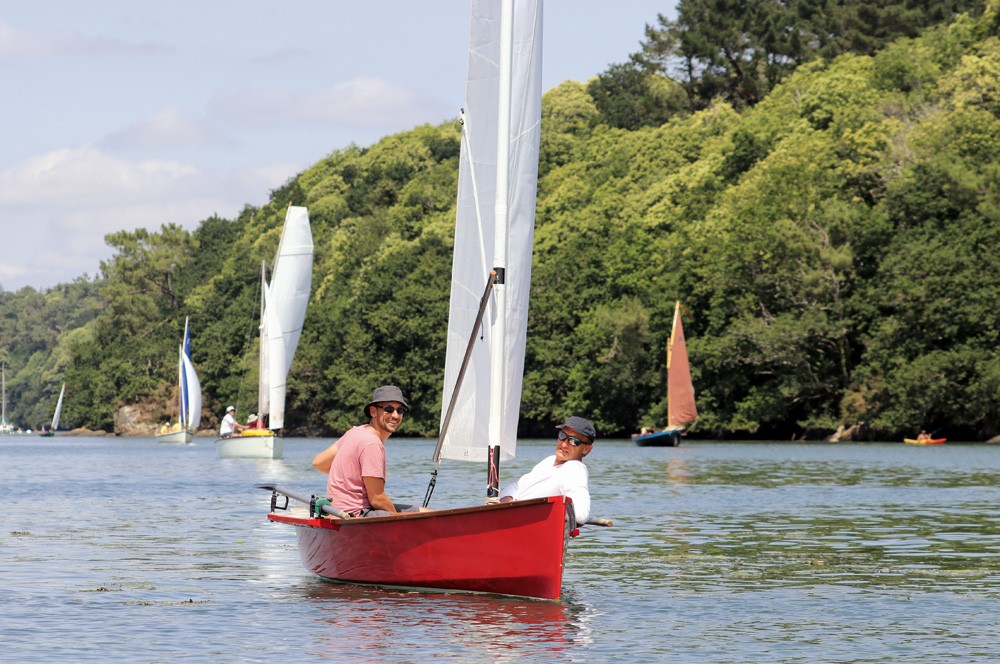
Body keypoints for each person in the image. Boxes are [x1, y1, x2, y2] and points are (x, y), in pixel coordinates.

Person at [311, 385, 430, 517]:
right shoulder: (372, 443)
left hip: (337, 510)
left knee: (427, 513)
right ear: (373, 412)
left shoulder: (355, 432)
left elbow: (318, 462)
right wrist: (400, 519)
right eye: (388, 409)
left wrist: (348, 479)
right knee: (421, 518)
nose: (395, 415)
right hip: (356, 515)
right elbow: (377, 499)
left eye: (400, 410)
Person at [498, 415, 596, 524]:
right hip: (509, 518)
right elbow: (516, 486)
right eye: (562, 435)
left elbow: (580, 515)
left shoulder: (574, 469)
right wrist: (508, 502)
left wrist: (534, 513)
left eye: (573, 441)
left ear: (586, 449)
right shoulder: (549, 461)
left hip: (526, 524)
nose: (564, 444)